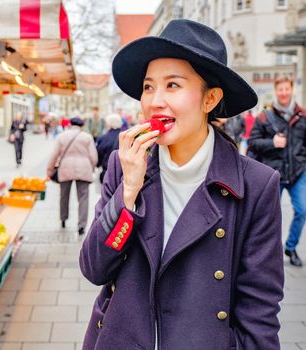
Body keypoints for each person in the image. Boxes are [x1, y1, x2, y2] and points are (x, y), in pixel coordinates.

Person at [80, 19, 283, 349]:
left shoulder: (256, 186)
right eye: (148, 87)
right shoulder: (124, 165)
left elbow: (259, 314)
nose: (155, 100)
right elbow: (94, 269)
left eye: (172, 85)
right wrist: (128, 193)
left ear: (210, 99)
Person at [248, 76, 306, 267]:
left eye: (286, 89)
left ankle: (291, 247)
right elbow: (252, 143)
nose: (283, 93)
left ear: (292, 90)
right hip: (273, 173)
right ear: (276, 91)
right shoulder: (264, 117)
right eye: (280, 89)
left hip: (298, 172)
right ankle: (269, 254)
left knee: (302, 210)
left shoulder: (302, 115)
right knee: (270, 217)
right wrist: (272, 142)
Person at [47, 117, 97, 235]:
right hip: (83, 168)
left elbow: (54, 155)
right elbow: (93, 156)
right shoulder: (87, 137)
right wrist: (92, 167)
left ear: (70, 124)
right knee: (83, 198)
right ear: (81, 125)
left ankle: (63, 218)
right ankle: (82, 225)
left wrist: (49, 171)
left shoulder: (62, 136)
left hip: (65, 168)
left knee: (64, 195)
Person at [96, 114, 122, 183]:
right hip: (123, 174)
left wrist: (98, 164)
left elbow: (99, 154)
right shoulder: (126, 136)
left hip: (107, 172)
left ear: (108, 124)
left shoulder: (103, 138)